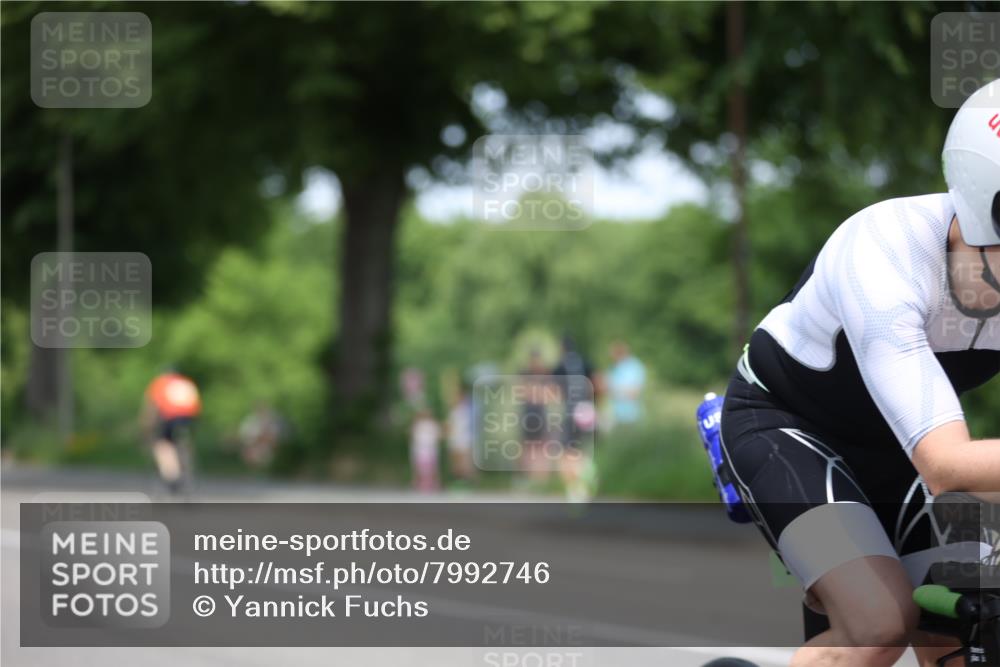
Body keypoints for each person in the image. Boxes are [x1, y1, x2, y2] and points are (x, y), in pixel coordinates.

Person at [720, 79, 1000, 667]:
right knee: (878, 624)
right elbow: (946, 465)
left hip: (900, 445)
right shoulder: (886, 249)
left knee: (978, 619)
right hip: (789, 428)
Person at [141, 368, 202, 494]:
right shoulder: (187, 382)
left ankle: (172, 475)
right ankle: (187, 469)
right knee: (183, 442)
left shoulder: (161, 382)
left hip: (170, 417)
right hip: (190, 418)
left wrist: (146, 425)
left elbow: (152, 407)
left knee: (162, 444)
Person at [552, 335, 598, 502]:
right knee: (581, 448)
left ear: (562, 348)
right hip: (587, 410)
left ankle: (578, 484)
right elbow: (598, 384)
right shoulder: (586, 362)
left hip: (572, 411)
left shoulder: (559, 366)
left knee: (565, 452)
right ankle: (585, 475)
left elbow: (554, 393)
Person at [605, 341, 646, 428]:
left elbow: (634, 393)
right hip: (615, 416)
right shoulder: (613, 368)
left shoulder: (634, 367)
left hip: (632, 416)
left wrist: (614, 390)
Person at [446, 384, 476, 483]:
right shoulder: (453, 411)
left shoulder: (468, 410)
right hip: (454, 439)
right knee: (456, 462)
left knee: (465, 462)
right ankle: (458, 481)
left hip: (465, 439)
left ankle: (467, 481)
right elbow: (450, 425)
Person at [409, 408, 441, 492]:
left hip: (430, 449)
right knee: (421, 467)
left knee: (431, 467)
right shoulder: (418, 424)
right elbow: (414, 436)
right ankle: (419, 483)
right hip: (421, 450)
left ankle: (433, 483)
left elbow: (437, 435)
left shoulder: (432, 424)